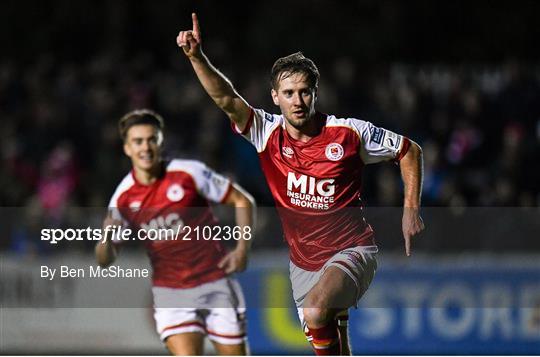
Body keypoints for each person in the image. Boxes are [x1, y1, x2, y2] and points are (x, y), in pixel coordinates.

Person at [177, 13, 424, 355]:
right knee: (328, 336)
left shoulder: (348, 133)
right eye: (289, 93)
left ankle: (333, 311)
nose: (298, 101)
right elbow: (226, 100)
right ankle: (337, 319)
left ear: (315, 94)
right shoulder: (266, 133)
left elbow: (409, 151)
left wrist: (410, 211)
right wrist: (196, 57)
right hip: (303, 264)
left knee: (316, 310)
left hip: (353, 249)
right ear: (275, 97)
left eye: (305, 92)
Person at [95, 109, 255, 356]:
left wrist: (242, 249)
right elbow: (105, 260)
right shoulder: (123, 198)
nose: (145, 148)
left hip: (216, 281)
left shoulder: (188, 172)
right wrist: (105, 238)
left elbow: (242, 201)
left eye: (151, 139)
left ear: (160, 141)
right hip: (172, 293)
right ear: (127, 148)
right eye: (138, 141)